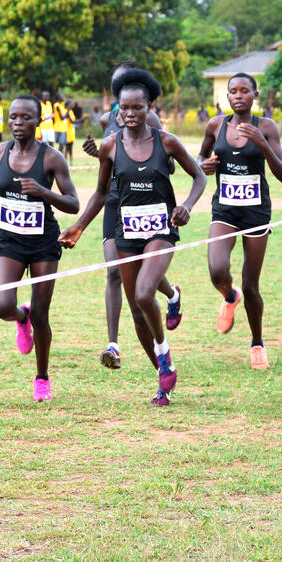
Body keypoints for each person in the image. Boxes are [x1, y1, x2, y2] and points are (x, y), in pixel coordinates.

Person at [61, 68, 207, 406]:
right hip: (126, 230)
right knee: (137, 310)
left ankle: (165, 355)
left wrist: (185, 206)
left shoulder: (165, 140)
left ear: (150, 107)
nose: (129, 114)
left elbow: (198, 177)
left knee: (144, 293)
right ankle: (162, 375)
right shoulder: (110, 147)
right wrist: (80, 226)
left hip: (160, 229)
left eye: (137, 108)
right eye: (123, 109)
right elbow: (100, 193)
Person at [0, 95, 79, 402]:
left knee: (41, 312)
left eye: (25, 118)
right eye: (13, 118)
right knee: (2, 305)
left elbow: (74, 203)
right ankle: (19, 319)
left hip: (43, 245)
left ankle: (42, 379)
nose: (17, 123)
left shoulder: (51, 159)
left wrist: (42, 192)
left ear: (38, 122)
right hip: (10, 241)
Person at [81, 63, 185, 371]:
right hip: (116, 202)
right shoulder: (105, 121)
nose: (125, 109)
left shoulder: (150, 120)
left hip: (149, 205)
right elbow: (108, 163)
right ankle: (113, 343)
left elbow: (167, 164)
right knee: (115, 270)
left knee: (143, 283)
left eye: (132, 102)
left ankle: (171, 293)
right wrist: (95, 153)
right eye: (119, 98)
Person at [197, 72, 282, 369]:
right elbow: (200, 158)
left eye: (244, 91)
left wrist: (263, 143)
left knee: (252, 285)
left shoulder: (267, 127)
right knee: (217, 270)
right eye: (233, 91)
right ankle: (228, 295)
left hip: (256, 211)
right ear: (228, 96)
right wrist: (205, 165)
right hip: (225, 207)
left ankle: (257, 343)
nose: (238, 95)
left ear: (254, 95)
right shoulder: (215, 125)